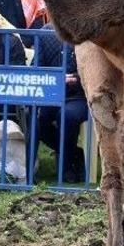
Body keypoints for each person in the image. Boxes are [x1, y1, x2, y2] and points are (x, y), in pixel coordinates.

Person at [35, 25, 87, 182]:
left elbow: (92, 70)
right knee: (37, 117)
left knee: (66, 115)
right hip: (51, 93)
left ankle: (66, 167)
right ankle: (75, 153)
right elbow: (36, 65)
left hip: (79, 95)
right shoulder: (44, 33)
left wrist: (75, 78)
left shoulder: (85, 31)